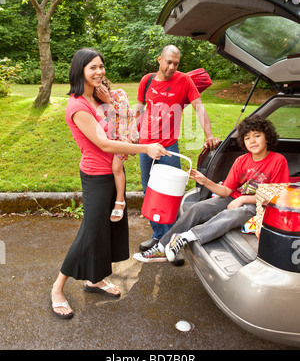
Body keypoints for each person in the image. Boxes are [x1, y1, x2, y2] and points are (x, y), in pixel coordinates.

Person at [51, 48, 168, 319]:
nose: (99, 72)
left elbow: (118, 126)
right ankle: (57, 288)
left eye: (101, 66)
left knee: (104, 231)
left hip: (111, 173)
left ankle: (95, 279)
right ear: (80, 70)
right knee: (90, 233)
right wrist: (146, 148)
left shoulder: (96, 98)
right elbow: (103, 142)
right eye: (92, 67)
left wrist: (108, 104)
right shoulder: (77, 105)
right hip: (95, 176)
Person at [133, 115, 290, 263]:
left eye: (257, 136)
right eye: (247, 138)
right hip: (233, 198)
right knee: (197, 208)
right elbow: (226, 191)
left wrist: (243, 199)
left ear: (267, 137)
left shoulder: (278, 161)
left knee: (239, 212)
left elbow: (275, 195)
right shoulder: (241, 161)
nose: (252, 141)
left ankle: (187, 237)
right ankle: (161, 247)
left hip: (257, 205)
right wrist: (205, 181)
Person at [135, 45, 220, 259]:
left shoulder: (184, 80)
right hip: (145, 146)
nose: (172, 67)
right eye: (168, 62)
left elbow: (200, 108)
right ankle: (158, 235)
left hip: (168, 148)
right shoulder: (146, 80)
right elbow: (139, 109)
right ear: (159, 60)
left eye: (176, 63)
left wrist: (209, 134)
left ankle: (171, 243)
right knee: (150, 193)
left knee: (171, 196)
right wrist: (132, 132)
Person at [96, 79, 139, 222]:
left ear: (107, 85)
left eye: (102, 88)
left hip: (126, 137)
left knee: (116, 167)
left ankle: (120, 201)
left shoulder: (120, 94)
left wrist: (108, 100)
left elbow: (125, 114)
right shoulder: (96, 103)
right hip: (114, 139)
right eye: (97, 91)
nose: (100, 92)